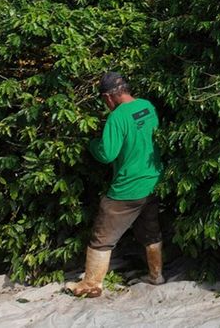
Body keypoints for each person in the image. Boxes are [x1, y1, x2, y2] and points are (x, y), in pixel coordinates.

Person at [66, 71, 165, 298]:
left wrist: (92, 144)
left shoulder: (117, 117)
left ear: (109, 97)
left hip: (127, 188)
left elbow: (107, 154)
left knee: (102, 237)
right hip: (152, 181)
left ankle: (91, 285)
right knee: (150, 231)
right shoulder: (147, 107)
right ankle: (156, 276)